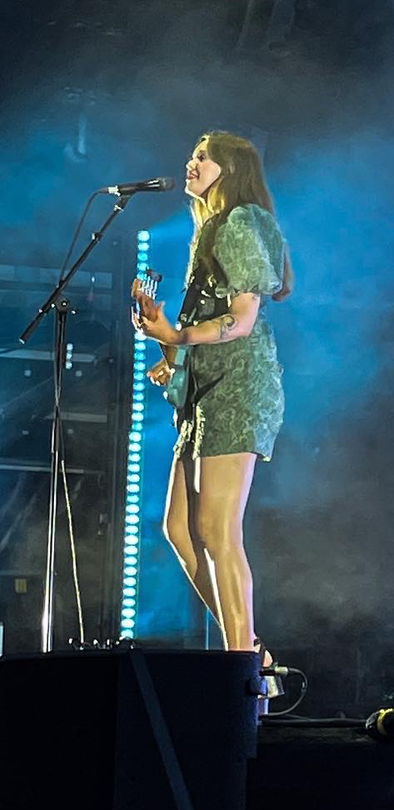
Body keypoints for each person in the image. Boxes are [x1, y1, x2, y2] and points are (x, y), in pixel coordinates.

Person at [131, 131, 290, 687]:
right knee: (179, 528)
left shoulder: (242, 222)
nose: (192, 163)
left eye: (204, 158)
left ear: (232, 169)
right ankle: (252, 652)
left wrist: (176, 334)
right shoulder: (210, 228)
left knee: (217, 530)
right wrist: (168, 349)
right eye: (193, 154)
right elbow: (201, 322)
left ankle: (243, 670)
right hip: (206, 391)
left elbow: (242, 319)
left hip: (237, 389)